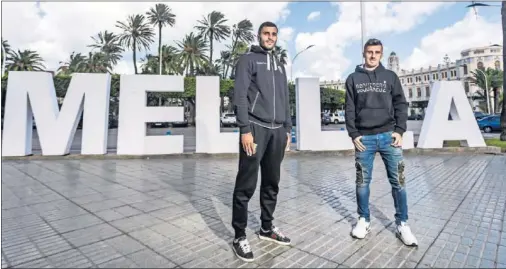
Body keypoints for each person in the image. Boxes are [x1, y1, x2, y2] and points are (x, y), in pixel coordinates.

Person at [344, 38, 418, 247]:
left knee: (398, 182)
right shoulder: (352, 78)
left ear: (381, 54)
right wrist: (354, 134)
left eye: (377, 52)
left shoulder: (390, 76)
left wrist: (400, 130)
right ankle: (364, 220)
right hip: (363, 139)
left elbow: (400, 104)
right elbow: (349, 108)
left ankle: (402, 224)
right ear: (364, 53)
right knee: (362, 182)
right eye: (369, 52)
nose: (373, 55)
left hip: (389, 137)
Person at [231, 21, 292, 262]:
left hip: (278, 131)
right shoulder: (248, 60)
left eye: (274, 34)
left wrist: (288, 128)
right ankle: (239, 236)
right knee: (246, 184)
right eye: (266, 34)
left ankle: (267, 228)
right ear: (259, 36)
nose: (270, 37)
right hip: (255, 129)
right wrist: (245, 129)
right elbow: (240, 96)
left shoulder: (279, 63)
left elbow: (286, 98)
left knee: (272, 182)